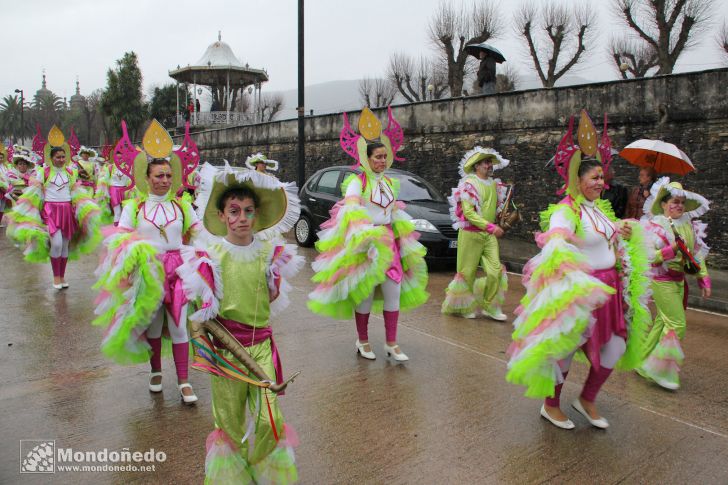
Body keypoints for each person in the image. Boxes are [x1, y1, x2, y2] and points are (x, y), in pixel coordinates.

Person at [506, 111, 651, 429]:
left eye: (602, 177)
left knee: (615, 347)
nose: (601, 183)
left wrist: (622, 228)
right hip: (581, 292)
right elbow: (556, 237)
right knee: (566, 348)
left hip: (609, 291)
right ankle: (551, 405)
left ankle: (587, 399)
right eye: (595, 178)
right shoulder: (565, 210)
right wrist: (559, 242)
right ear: (577, 180)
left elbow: (605, 234)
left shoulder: (598, 209)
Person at [193, 162, 302, 484]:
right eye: (235, 211)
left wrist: (271, 281)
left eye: (248, 211)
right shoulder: (211, 255)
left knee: (270, 420)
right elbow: (201, 314)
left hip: (261, 348)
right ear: (223, 216)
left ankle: (256, 471)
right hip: (226, 353)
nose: (242, 218)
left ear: (256, 215)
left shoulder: (269, 253)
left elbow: (267, 299)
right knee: (230, 427)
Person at [93, 119, 213, 404]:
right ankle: (156, 371)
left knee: (180, 325)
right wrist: (129, 267)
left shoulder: (182, 206)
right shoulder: (134, 207)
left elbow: (199, 237)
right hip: (149, 271)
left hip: (178, 270)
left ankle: (184, 380)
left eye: (168, 176)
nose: (164, 180)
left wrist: (205, 260)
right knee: (154, 324)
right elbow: (121, 240)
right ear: (146, 178)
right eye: (158, 176)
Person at [308, 107, 429, 361]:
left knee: (393, 290)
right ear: (367, 158)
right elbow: (350, 211)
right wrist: (365, 235)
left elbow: (393, 211)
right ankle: (362, 340)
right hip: (366, 244)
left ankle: (391, 343)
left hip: (389, 243)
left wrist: (401, 235)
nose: (382, 161)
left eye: (385, 157)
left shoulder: (388, 183)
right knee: (364, 294)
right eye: (377, 157)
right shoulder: (357, 182)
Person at [6, 126, 102, 289]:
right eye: (58, 157)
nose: (61, 159)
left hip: (67, 212)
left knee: (65, 245)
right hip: (51, 211)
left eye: (63, 156)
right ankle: (55, 277)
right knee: (56, 243)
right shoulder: (44, 172)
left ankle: (62, 277)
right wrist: (32, 209)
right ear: (51, 158)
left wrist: (83, 208)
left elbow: (75, 192)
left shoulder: (70, 173)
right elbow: (37, 192)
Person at [637, 177, 711, 390]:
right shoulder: (654, 226)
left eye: (681, 202)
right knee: (677, 324)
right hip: (662, 281)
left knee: (662, 321)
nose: (678, 205)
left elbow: (696, 253)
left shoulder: (687, 225)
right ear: (663, 204)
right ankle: (659, 369)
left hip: (679, 281)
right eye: (674, 201)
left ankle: (641, 361)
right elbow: (649, 257)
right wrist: (671, 250)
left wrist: (703, 278)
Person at [442, 147, 509, 320]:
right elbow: (469, 213)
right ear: (477, 166)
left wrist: (500, 215)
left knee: (495, 270)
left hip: (488, 235)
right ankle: (464, 307)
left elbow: (492, 208)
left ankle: (489, 305)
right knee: (467, 272)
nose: (490, 165)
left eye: (490, 162)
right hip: (471, 234)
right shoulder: (468, 184)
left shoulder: (495, 184)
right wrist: (491, 227)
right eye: (486, 162)